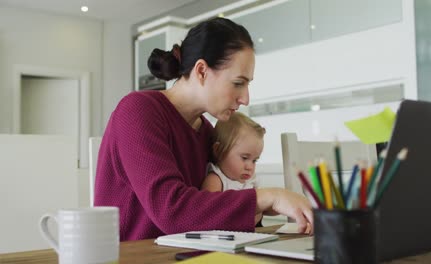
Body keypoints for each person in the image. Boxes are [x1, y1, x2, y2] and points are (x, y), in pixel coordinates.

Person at [94, 17, 312, 241]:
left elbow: (209, 211)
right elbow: (172, 211)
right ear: (201, 71)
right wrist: (268, 197)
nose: (245, 98)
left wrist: (258, 209)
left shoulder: (209, 133)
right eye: (238, 83)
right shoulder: (138, 111)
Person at [201, 112, 265, 192]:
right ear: (218, 150)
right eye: (244, 158)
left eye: (254, 160)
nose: (250, 167)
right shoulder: (216, 180)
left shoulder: (251, 181)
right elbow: (209, 204)